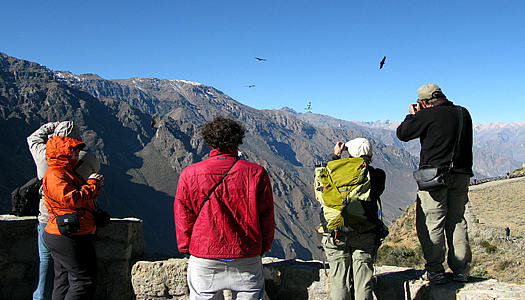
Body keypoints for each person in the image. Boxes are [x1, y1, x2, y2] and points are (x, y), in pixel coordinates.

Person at [174, 116, 275, 300]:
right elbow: (266, 216)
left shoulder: (189, 174)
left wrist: (186, 247)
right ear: (238, 140)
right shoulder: (256, 172)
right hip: (246, 254)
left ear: (209, 140)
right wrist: (263, 246)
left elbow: (183, 216)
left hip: (204, 256)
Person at [396, 84, 473, 284]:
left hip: (435, 178)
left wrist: (413, 115)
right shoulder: (463, 113)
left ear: (423, 102)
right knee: (457, 221)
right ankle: (461, 270)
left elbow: (403, 133)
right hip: (462, 175)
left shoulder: (427, 115)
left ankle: (435, 270)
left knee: (432, 223)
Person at [28, 121, 100, 300]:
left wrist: (51, 127)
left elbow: (33, 139)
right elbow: (72, 200)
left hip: (50, 224)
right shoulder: (56, 175)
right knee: (83, 280)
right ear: (64, 152)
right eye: (74, 150)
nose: (77, 153)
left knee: (61, 279)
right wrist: (93, 184)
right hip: (66, 231)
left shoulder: (54, 167)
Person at [319, 137, 386, 300]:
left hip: (336, 232)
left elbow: (321, 178)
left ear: (349, 155)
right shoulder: (376, 175)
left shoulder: (333, 172)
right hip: (364, 232)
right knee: (363, 282)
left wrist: (335, 157)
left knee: (339, 282)